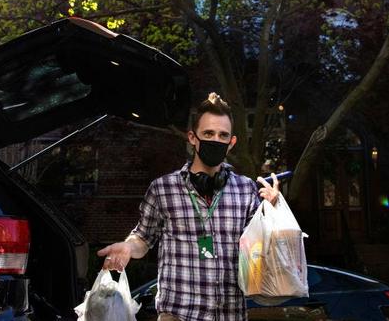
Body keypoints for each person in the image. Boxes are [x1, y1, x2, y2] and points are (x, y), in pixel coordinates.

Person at [98, 92, 280, 321]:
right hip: (179, 314)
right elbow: (143, 239)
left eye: (223, 135)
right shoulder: (163, 189)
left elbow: (262, 247)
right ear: (193, 137)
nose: (215, 140)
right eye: (208, 133)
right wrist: (127, 247)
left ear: (231, 142)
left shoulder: (245, 189)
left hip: (230, 314)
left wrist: (273, 210)